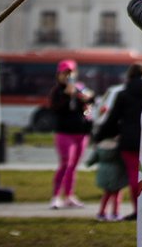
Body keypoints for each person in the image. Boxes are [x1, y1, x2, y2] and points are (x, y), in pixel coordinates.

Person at [95, 62, 142, 221]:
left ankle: (137, 211)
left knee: (134, 175)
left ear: (129, 75)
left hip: (129, 141)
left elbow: (112, 119)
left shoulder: (123, 94)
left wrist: (100, 136)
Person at [48, 59, 94, 209]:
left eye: (70, 73)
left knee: (73, 166)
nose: (68, 76)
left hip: (80, 132)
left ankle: (69, 195)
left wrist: (88, 98)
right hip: (64, 132)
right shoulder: (57, 91)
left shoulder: (79, 88)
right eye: (65, 73)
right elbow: (56, 108)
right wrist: (67, 95)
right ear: (59, 74)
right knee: (65, 163)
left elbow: (91, 102)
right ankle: (55, 196)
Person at [86, 135, 128, 221]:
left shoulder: (100, 146)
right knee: (117, 194)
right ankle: (115, 213)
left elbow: (91, 160)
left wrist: (89, 163)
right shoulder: (118, 147)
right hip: (117, 173)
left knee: (106, 194)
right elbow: (125, 159)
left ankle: (102, 212)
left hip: (103, 174)